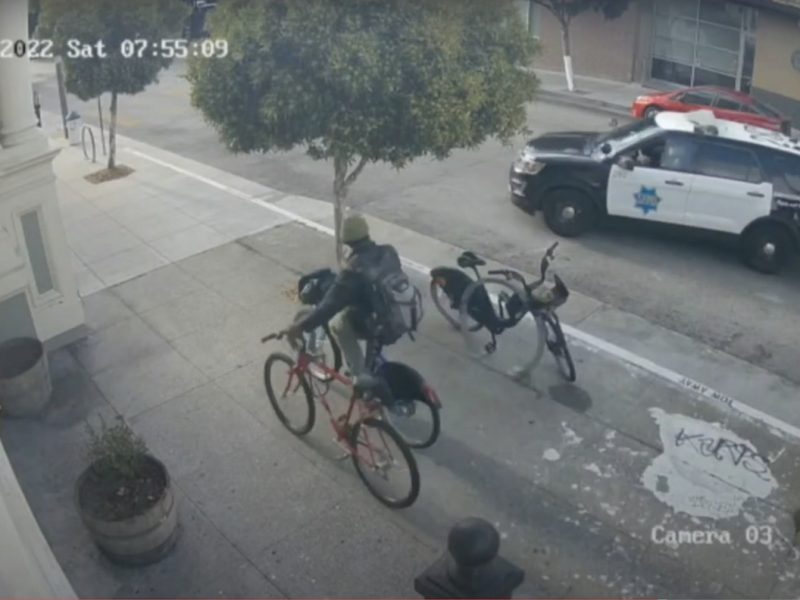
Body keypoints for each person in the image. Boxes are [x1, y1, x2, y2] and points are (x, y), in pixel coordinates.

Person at [282, 213, 401, 391]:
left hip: (374, 322)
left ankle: (359, 374)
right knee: (359, 313)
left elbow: (328, 308)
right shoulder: (388, 251)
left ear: (347, 241)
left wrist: (300, 327)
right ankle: (370, 362)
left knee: (337, 324)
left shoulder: (352, 271)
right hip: (395, 315)